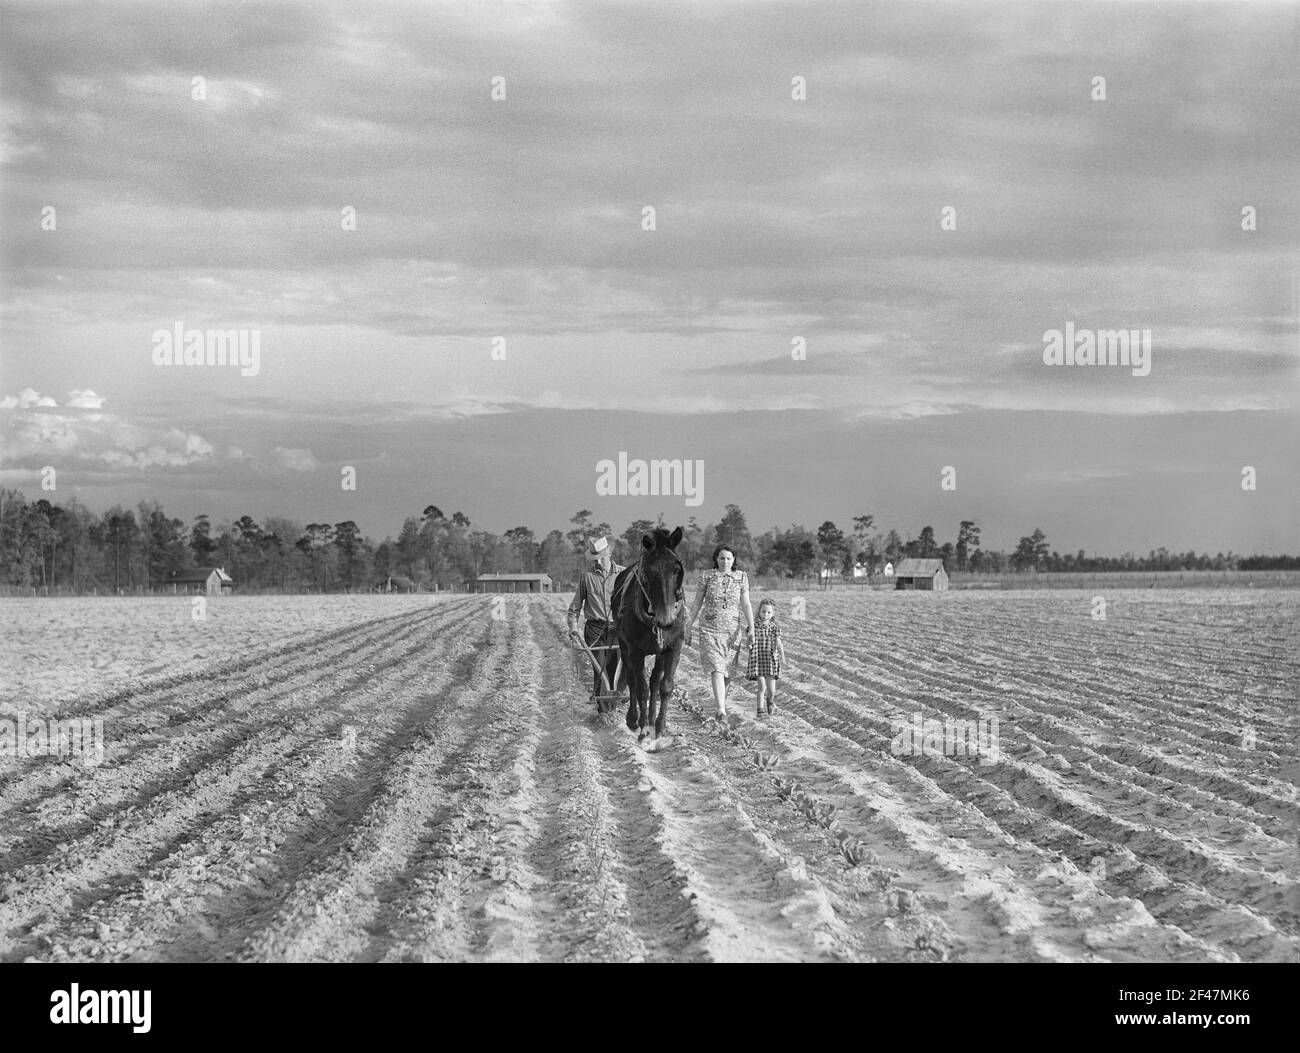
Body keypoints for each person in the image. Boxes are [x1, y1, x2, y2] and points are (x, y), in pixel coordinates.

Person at [684, 545, 753, 721]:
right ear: (716, 559)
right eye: (722, 558)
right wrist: (689, 625)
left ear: (734, 560)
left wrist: (751, 626)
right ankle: (721, 710)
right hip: (709, 629)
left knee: (727, 672)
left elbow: (746, 604)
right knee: (717, 668)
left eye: (729, 558)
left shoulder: (741, 577)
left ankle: (721, 707)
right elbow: (697, 602)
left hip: (732, 631)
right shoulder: (707, 576)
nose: (725, 562)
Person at [567, 536, 626, 700]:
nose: (598, 563)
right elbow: (574, 607)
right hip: (595, 631)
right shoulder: (587, 577)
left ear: (609, 554)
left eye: (601, 558)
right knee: (601, 673)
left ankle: (608, 703)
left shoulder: (624, 574)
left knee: (614, 674)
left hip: (617, 629)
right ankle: (604, 714)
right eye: (595, 559)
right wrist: (573, 629)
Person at [746, 598, 786, 717]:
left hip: (770, 661)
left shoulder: (774, 628)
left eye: (769, 612)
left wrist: (783, 657)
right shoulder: (753, 627)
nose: (766, 615)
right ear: (759, 611)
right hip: (758, 661)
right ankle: (760, 711)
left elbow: (779, 644)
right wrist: (749, 645)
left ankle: (770, 702)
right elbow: (749, 641)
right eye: (763, 612)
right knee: (761, 687)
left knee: (771, 690)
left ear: (772, 614)